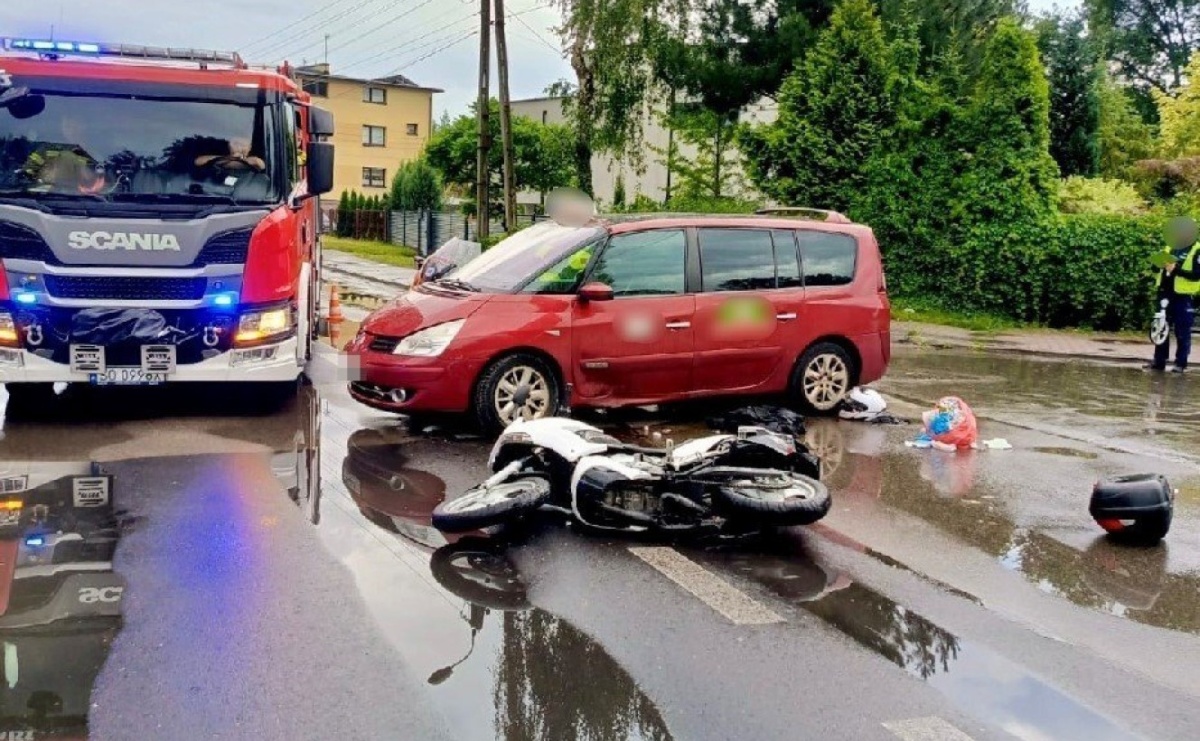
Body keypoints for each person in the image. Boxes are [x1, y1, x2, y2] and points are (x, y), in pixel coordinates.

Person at [1148, 216, 1200, 374]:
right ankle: (1159, 362)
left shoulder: (1197, 250)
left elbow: (1197, 275)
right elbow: (1157, 268)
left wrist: (1175, 269)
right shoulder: (1170, 247)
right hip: (1165, 293)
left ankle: (1180, 363)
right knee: (1160, 327)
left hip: (1183, 296)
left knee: (1182, 331)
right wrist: (1156, 265)